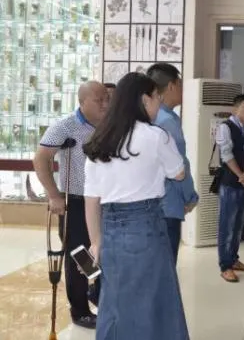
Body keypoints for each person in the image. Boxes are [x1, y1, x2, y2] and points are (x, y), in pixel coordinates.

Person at [82, 72, 189, 339]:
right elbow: (178, 173)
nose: (159, 102)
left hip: (110, 227)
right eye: (156, 97)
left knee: (114, 300)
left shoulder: (99, 140)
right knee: (153, 298)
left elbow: (91, 199)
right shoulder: (156, 136)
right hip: (145, 224)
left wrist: (96, 242)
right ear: (144, 100)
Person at [33, 81, 108, 329]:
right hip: (76, 201)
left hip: (106, 201)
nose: (105, 104)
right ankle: (80, 310)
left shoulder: (110, 124)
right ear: (82, 102)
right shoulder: (65, 126)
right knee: (80, 255)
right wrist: (54, 195)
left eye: (107, 99)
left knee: (103, 251)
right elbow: (41, 158)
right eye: (99, 100)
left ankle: (100, 295)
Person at [146, 63, 199, 263]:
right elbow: (179, 166)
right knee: (166, 265)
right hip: (167, 202)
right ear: (171, 86)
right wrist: (190, 196)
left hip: (150, 203)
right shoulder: (167, 121)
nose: (182, 89)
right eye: (180, 84)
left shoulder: (150, 117)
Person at [215, 94, 244, 282]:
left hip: (243, 182)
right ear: (235, 109)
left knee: (238, 224)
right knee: (227, 225)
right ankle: (225, 266)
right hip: (230, 182)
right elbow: (226, 155)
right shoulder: (225, 127)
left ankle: (233, 258)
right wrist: (241, 175)